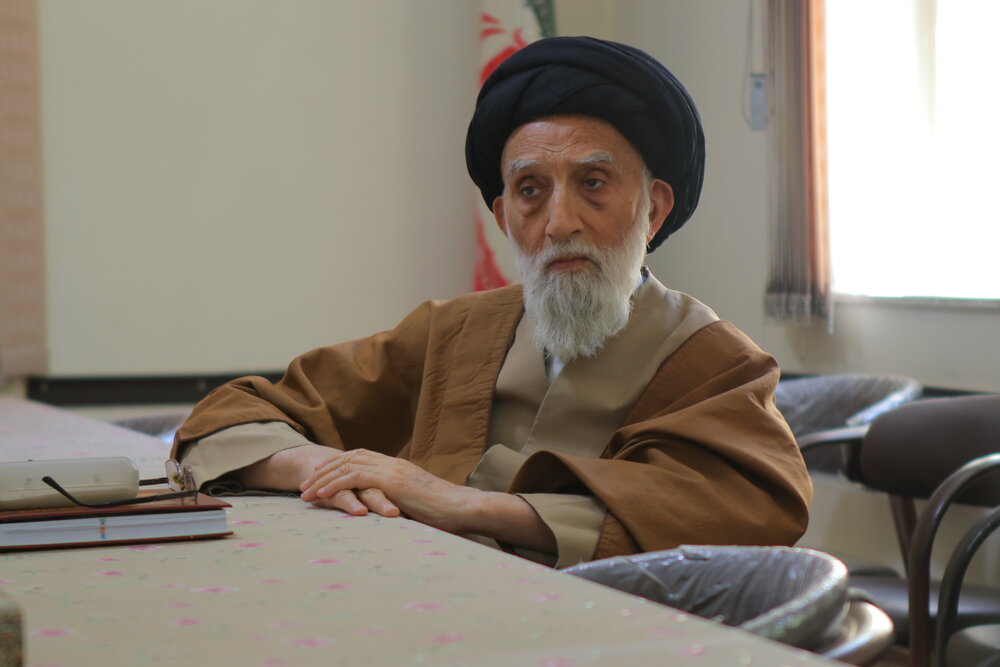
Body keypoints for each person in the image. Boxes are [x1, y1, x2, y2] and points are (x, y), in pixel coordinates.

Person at [172, 36, 811, 567]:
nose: (559, 222)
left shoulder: (716, 362)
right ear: (505, 218)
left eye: (593, 183)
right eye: (531, 190)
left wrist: (457, 502)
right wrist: (328, 467)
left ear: (654, 210)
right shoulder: (452, 332)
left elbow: (747, 512)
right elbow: (232, 418)